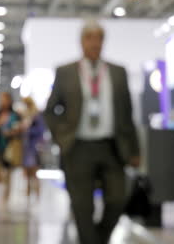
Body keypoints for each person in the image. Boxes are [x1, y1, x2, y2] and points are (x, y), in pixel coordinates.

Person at [44, 20, 140, 244]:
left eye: (99, 38)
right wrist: (61, 136)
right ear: (81, 42)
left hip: (112, 146)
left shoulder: (118, 72)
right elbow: (50, 111)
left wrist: (135, 150)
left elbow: (127, 114)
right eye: (90, 38)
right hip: (78, 147)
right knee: (81, 204)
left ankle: (98, 239)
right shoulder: (66, 72)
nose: (95, 43)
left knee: (117, 199)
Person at [0, 92, 22, 210]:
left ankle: (5, 199)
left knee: (8, 173)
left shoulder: (15, 115)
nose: (2, 101)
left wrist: (13, 132)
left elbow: (19, 130)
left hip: (10, 147)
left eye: (4, 99)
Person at [20, 97, 45, 200]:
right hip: (26, 147)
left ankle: (38, 194)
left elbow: (40, 131)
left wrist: (28, 129)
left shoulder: (36, 115)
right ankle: (28, 194)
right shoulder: (25, 114)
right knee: (27, 173)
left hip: (34, 147)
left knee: (34, 172)